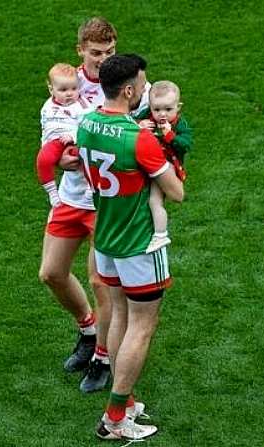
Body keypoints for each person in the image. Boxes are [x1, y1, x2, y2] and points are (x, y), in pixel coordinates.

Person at [75, 54, 184, 440]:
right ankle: (116, 418)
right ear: (128, 90)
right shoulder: (138, 138)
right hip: (138, 245)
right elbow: (177, 192)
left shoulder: (85, 123)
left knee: (119, 315)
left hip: (104, 238)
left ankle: (126, 397)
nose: (146, 88)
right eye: (143, 83)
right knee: (142, 326)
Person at [37, 17, 126, 394]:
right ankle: (88, 330)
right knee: (51, 272)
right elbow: (49, 137)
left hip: (106, 201)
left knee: (99, 282)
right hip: (72, 195)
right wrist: (58, 159)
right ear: (80, 52)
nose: (103, 60)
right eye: (96, 54)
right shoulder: (66, 86)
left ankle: (103, 358)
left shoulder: (127, 84)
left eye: (109, 53)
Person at [136, 81, 193, 253]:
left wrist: (170, 135)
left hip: (166, 166)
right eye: (157, 109)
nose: (162, 114)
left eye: (168, 109)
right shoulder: (147, 115)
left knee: (155, 200)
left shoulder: (179, 124)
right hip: (144, 164)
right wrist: (138, 124)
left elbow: (186, 145)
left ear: (178, 107)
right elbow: (129, 122)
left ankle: (160, 234)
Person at [37, 62, 93, 208]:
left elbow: (88, 127)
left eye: (74, 88)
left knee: (86, 155)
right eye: (63, 90)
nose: (69, 93)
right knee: (43, 159)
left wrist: (73, 137)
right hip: (55, 142)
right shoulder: (47, 106)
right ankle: (52, 192)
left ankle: (90, 186)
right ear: (51, 89)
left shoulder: (83, 106)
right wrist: (45, 145)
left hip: (76, 141)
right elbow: (45, 127)